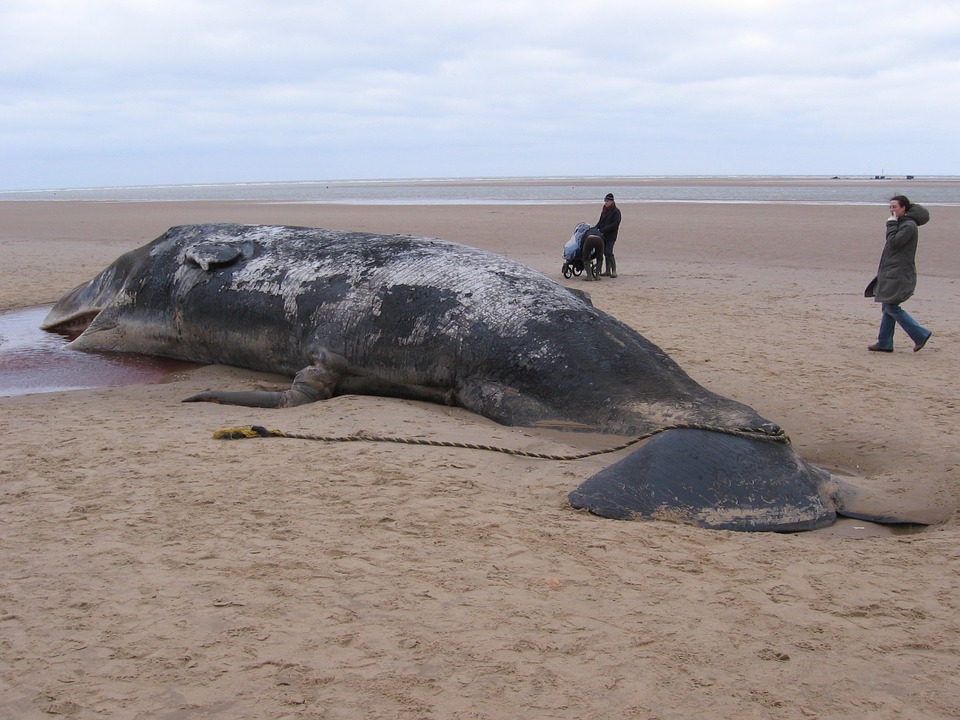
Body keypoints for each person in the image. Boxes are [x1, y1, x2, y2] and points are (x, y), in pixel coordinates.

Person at [864, 195, 933, 353]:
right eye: (890, 207)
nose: (892, 210)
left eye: (895, 207)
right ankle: (884, 342)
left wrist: (891, 224)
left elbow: (894, 243)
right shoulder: (903, 224)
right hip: (891, 270)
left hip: (899, 272)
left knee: (891, 306)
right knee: (887, 306)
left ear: (904, 208)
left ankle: (920, 334)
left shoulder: (908, 226)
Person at [596, 193, 621, 277]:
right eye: (605, 201)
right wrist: (595, 228)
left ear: (612, 201)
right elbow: (600, 221)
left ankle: (614, 271)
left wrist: (605, 228)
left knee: (609, 252)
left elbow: (615, 224)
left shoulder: (616, 211)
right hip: (603, 235)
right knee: (604, 252)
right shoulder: (604, 210)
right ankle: (607, 271)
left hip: (611, 235)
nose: (605, 202)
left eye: (607, 201)